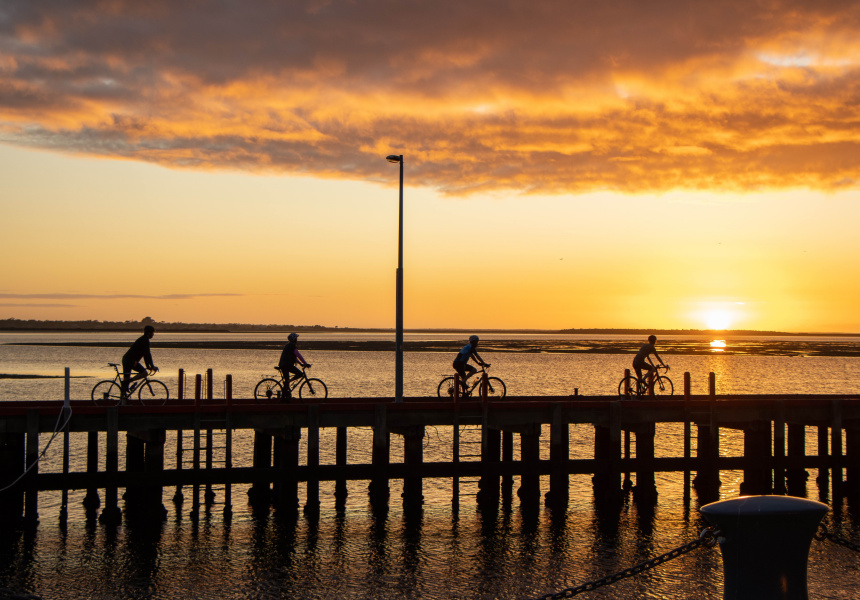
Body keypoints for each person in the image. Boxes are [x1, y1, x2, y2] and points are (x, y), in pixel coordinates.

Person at [121, 325, 158, 400]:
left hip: (126, 359)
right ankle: (129, 382)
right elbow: (147, 354)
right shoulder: (145, 340)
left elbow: (146, 355)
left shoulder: (143, 339)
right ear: (148, 333)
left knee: (125, 381)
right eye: (152, 333)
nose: (153, 334)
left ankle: (122, 400)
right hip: (130, 360)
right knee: (144, 373)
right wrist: (152, 366)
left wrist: (149, 366)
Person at [278, 332, 311, 400]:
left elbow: (294, 357)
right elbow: (298, 355)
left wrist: (300, 364)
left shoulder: (288, 345)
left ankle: (284, 396)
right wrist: (305, 363)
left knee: (286, 381)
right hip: (287, 365)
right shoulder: (292, 346)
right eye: (296, 338)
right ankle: (288, 385)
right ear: (294, 339)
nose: (297, 339)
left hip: (283, 365)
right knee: (300, 374)